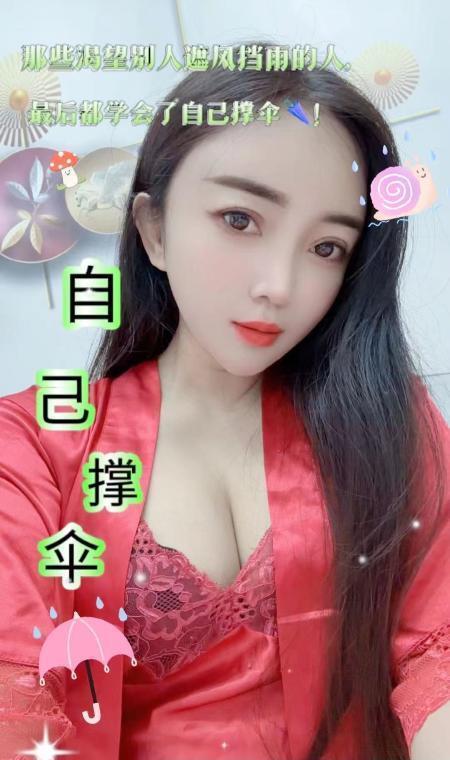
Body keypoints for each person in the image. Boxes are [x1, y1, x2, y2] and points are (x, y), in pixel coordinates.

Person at [0, 38, 449, 760]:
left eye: (327, 247)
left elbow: (438, 649)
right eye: (240, 220)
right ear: (153, 230)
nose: (279, 285)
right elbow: (16, 696)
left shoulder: (390, 419)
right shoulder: (34, 445)